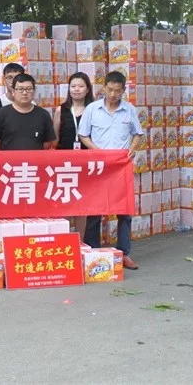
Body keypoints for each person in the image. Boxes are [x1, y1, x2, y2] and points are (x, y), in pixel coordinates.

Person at [79, 71, 144, 271]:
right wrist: (96, 151)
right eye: (110, 90)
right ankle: (92, 251)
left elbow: (138, 133)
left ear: (123, 90)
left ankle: (124, 253)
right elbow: (83, 135)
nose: (113, 94)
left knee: (124, 211)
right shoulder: (92, 109)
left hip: (120, 167)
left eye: (117, 91)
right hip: (99, 167)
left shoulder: (129, 110)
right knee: (95, 210)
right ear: (103, 88)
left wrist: (132, 149)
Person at [53, 72, 95, 242]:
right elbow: (55, 138)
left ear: (87, 89)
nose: (76, 89)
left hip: (86, 162)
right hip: (64, 163)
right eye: (73, 86)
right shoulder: (60, 110)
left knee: (81, 203)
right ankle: (64, 240)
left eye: (81, 86)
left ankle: (80, 241)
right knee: (64, 201)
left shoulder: (94, 109)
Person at [0, 73, 56, 151]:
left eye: (29, 89)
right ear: (13, 91)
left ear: (34, 91)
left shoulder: (43, 114)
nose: (24, 93)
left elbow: (48, 141)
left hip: (35, 158)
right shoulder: (1, 114)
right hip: (8, 158)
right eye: (20, 89)